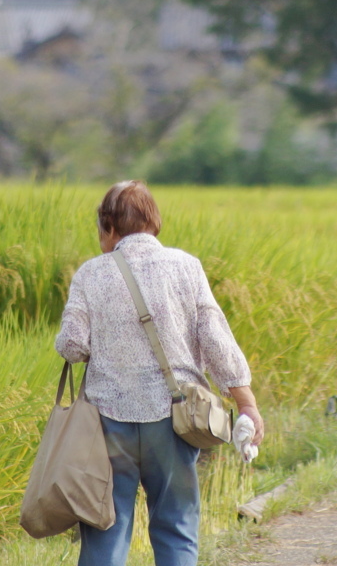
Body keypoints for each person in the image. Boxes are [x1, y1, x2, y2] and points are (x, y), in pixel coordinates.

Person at [55, 180, 264, 566]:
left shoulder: (90, 274)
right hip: (173, 420)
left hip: (108, 423)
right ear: (154, 222)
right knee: (176, 526)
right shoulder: (187, 267)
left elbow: (73, 346)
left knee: (105, 528)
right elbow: (216, 339)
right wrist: (246, 404)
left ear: (108, 225)